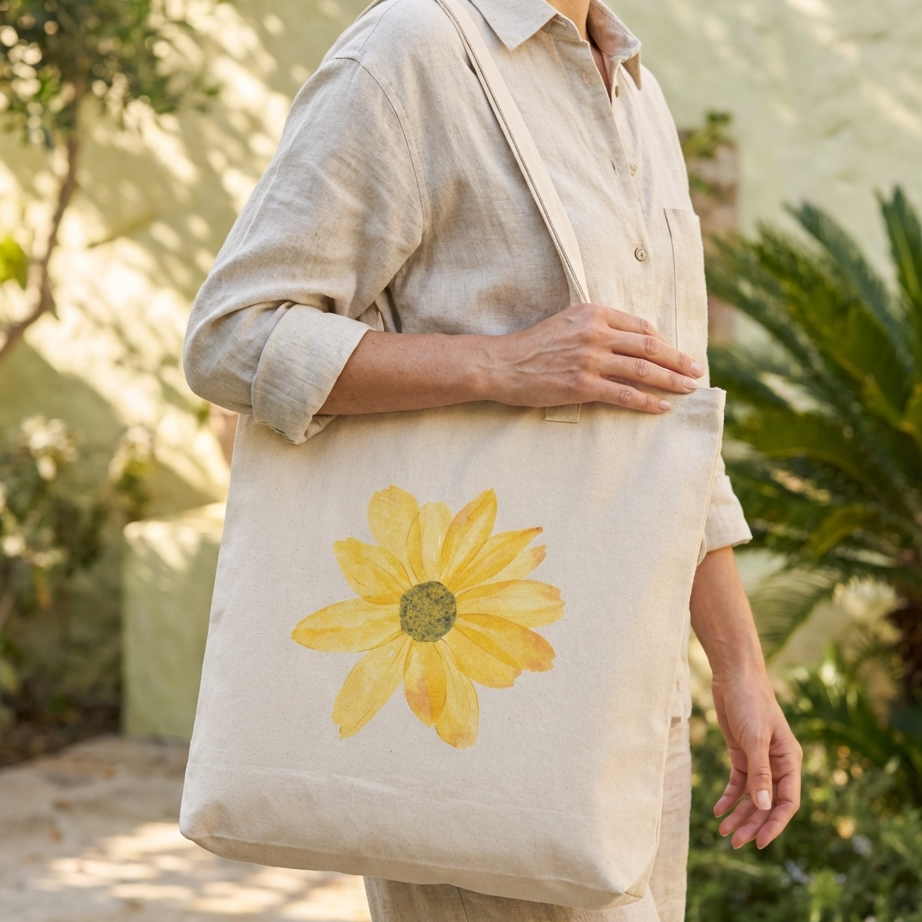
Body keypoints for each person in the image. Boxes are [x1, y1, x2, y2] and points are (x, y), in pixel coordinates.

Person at [183, 0, 803, 918]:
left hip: (629, 696)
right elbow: (232, 338)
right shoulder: (409, 54)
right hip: (471, 703)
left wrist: (738, 667)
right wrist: (498, 365)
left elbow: (668, 421)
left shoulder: (632, 86)